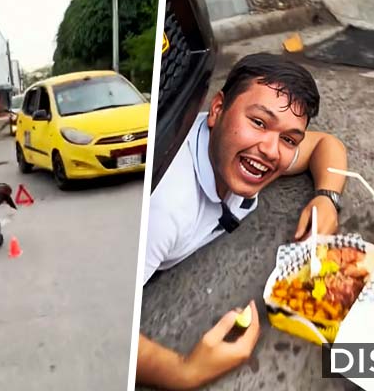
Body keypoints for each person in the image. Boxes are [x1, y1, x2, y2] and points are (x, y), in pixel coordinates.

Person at [137, 53, 348, 390]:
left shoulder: (249, 149)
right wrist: (182, 372)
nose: (270, 150)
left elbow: (326, 144)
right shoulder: (164, 210)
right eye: (259, 122)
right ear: (217, 110)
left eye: (289, 139)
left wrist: (327, 196)